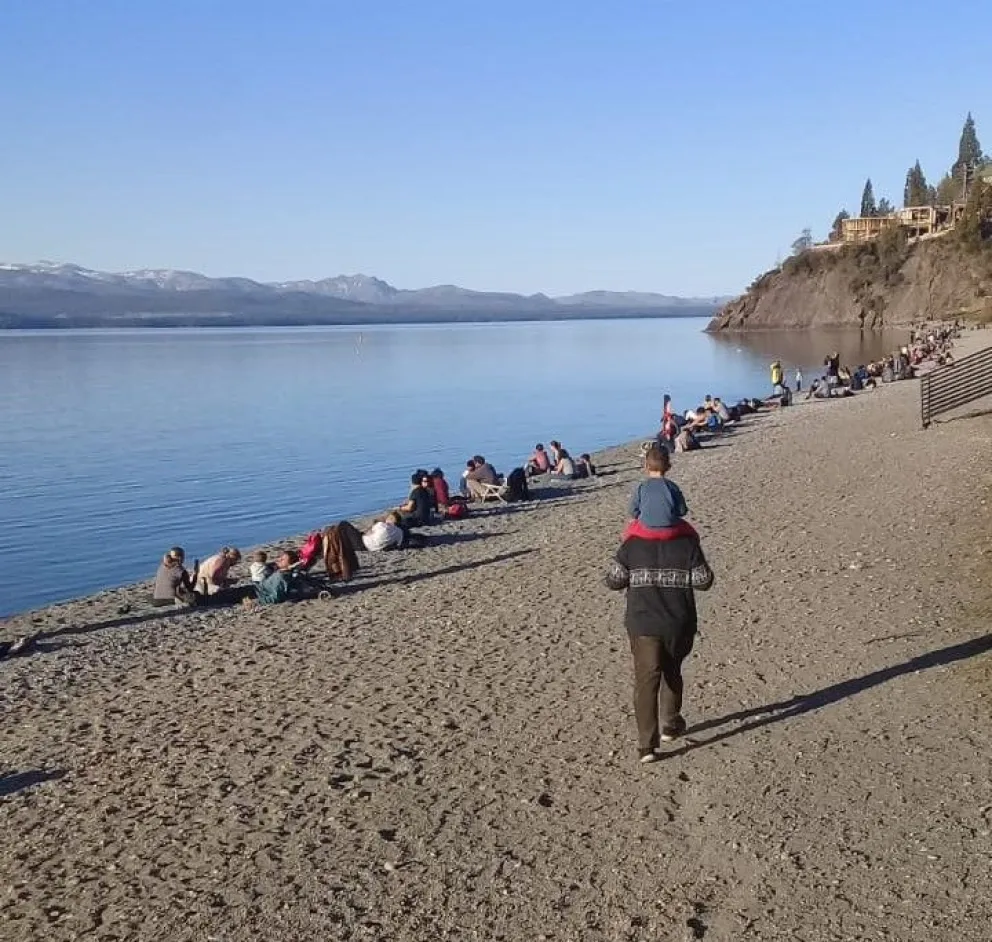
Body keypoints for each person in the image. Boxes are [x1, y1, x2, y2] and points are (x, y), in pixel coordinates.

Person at [606, 518, 714, 764]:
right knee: (672, 671)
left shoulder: (631, 546)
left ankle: (647, 746)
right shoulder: (687, 544)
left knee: (646, 680)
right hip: (678, 622)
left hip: (643, 623)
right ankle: (670, 723)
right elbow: (704, 581)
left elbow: (613, 581)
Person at [627, 446, 688, 534]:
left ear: (646, 466)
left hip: (646, 527)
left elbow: (632, 510)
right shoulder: (672, 486)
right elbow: (682, 511)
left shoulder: (642, 487)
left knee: (627, 534)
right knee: (692, 534)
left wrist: (641, 516)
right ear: (668, 466)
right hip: (670, 526)